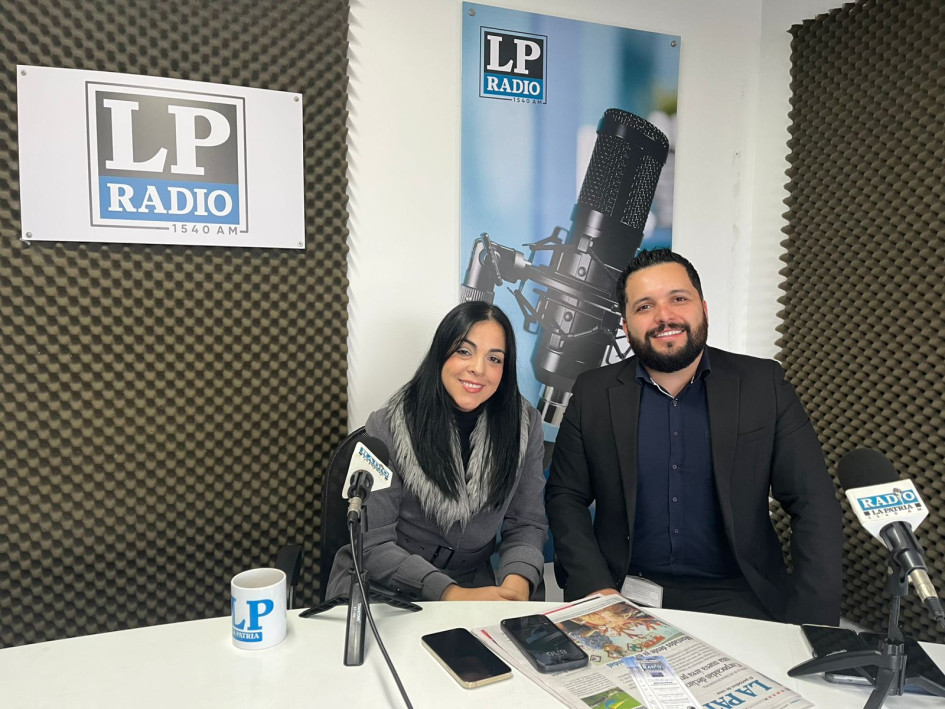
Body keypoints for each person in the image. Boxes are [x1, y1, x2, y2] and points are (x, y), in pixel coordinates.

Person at [546, 248, 842, 625]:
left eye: (678, 299)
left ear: (703, 308)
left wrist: (815, 622)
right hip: (623, 592)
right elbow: (566, 496)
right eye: (645, 306)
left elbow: (812, 500)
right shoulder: (592, 392)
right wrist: (595, 587)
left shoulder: (763, 384)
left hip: (742, 596)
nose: (664, 316)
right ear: (625, 325)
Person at [327, 301, 548, 602]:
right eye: (464, 351)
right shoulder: (386, 426)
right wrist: (451, 594)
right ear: (441, 353)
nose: (478, 368)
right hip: (387, 585)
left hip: (473, 584)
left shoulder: (526, 425)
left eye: (494, 358)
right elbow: (373, 546)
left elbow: (527, 524)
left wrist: (516, 586)